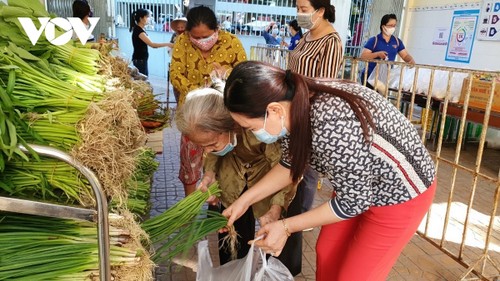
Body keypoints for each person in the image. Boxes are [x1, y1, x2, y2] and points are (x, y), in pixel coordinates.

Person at [221, 61, 437, 281]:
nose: (254, 134)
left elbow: (353, 203)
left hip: (399, 194)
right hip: (356, 186)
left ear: (274, 110)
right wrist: (244, 201)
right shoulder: (293, 106)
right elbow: (289, 165)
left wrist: (285, 227)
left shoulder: (332, 123)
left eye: (251, 128)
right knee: (327, 252)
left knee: (355, 276)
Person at [175, 84, 300, 275]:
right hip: (232, 178)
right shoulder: (215, 135)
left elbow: (285, 171)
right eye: (203, 146)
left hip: (269, 178)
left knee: (275, 240)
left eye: (211, 144)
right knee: (232, 237)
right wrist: (209, 176)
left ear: (230, 125)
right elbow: (214, 153)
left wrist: (276, 208)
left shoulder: (260, 128)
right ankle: (232, 272)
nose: (207, 150)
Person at [170, 5, 247, 196]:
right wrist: (200, 95)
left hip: (221, 117)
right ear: (188, 34)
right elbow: (176, 74)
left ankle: (218, 200)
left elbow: (244, 74)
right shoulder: (182, 42)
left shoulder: (232, 42)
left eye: (206, 36)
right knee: (190, 161)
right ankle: (191, 204)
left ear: (216, 29)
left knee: (220, 157)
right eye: (196, 37)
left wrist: (224, 76)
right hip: (193, 115)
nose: (201, 41)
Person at [289, 0, 343, 236]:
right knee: (293, 166)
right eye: (298, 9)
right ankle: (290, 215)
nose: (299, 14)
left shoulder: (331, 41)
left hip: (310, 113)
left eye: (303, 9)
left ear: (320, 11)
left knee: (307, 171)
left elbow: (326, 87)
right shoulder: (307, 35)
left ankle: (298, 222)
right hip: (293, 110)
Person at [360, 14, 415, 87]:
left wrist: (410, 60)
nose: (393, 28)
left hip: (384, 77)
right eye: (390, 25)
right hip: (369, 76)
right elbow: (363, 56)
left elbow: (405, 55)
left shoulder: (397, 41)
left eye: (394, 25)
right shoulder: (374, 40)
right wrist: (377, 54)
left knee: (381, 97)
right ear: (383, 26)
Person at [129, 9, 170, 76]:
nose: (149, 19)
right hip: (140, 61)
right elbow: (153, 45)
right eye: (147, 17)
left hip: (141, 60)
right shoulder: (139, 31)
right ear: (141, 18)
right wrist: (168, 44)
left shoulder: (140, 29)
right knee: (142, 82)